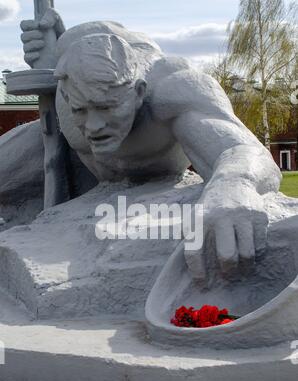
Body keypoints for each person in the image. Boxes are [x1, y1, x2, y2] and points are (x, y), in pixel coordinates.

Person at [1, 7, 282, 281]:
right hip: (84, 186)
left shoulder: (174, 88)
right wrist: (51, 54)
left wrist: (235, 185)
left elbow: (243, 149)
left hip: (155, 194)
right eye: (81, 110)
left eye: (107, 107)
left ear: (138, 92)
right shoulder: (66, 89)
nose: (93, 125)